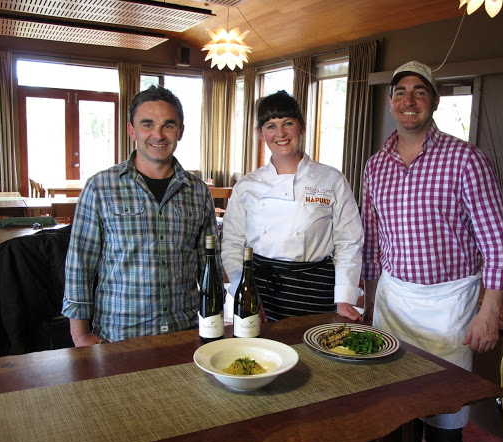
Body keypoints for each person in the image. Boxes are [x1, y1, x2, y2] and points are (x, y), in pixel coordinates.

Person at [361, 61, 503, 442]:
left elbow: (498, 241)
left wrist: (490, 309)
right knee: (394, 413)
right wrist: (370, 302)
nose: (408, 101)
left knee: (444, 421)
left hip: (449, 305)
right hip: (392, 303)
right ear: (390, 102)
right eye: (400, 92)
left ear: (434, 101)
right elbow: (373, 241)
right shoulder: (375, 166)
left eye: (419, 92)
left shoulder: (466, 160)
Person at [62, 85, 220, 345]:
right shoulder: (100, 187)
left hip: (185, 331)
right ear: (131, 130)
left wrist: (213, 324)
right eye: (147, 124)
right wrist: (79, 335)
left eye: (168, 125)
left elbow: (210, 265)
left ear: (180, 131)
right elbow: (80, 263)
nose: (158, 134)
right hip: (118, 335)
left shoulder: (198, 191)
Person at [222, 90, 363, 322]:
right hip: (262, 293)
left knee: (317, 356)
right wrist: (243, 292)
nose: (280, 133)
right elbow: (232, 244)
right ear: (260, 134)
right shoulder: (246, 186)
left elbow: (349, 242)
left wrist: (345, 297)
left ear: (301, 127)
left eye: (288, 123)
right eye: (270, 126)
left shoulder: (332, 179)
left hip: (318, 291)